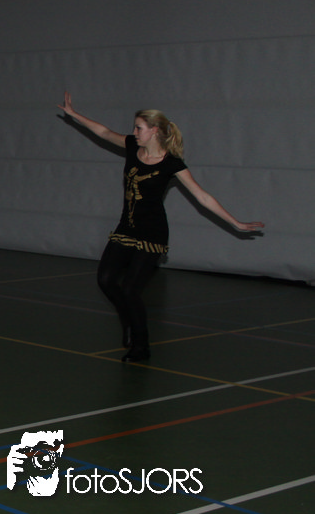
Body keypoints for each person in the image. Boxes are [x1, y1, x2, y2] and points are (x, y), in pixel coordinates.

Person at [57, 92, 264, 362]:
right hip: (126, 227)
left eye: (139, 128)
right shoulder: (132, 147)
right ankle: (127, 318)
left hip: (152, 233)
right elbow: (104, 132)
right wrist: (75, 115)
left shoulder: (171, 163)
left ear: (154, 131)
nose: (134, 133)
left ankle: (141, 346)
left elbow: (202, 197)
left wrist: (235, 222)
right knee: (105, 279)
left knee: (131, 289)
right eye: (134, 128)